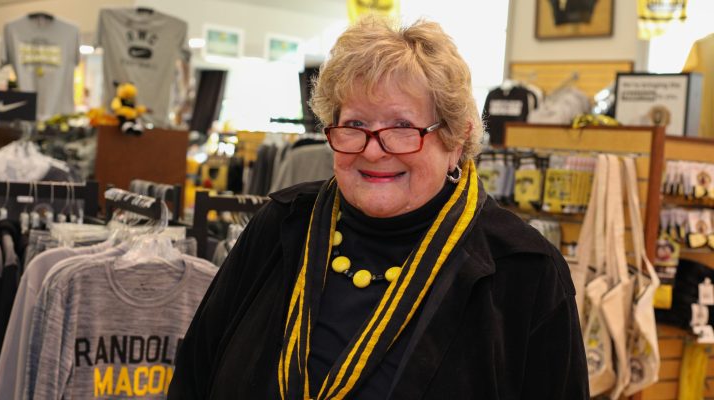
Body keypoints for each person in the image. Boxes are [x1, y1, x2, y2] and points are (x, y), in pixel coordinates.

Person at [168, 17, 589, 399]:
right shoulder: (282, 224)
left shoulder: (523, 270)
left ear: (456, 140)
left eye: (403, 128)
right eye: (354, 125)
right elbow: (194, 375)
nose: (374, 151)